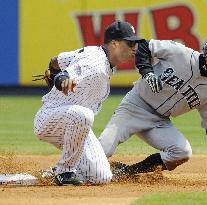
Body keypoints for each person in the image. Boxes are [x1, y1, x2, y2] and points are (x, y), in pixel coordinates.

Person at [99, 32, 207, 182]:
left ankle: (127, 171)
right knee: (104, 149)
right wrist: (147, 72)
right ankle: (74, 170)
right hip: (135, 106)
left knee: (182, 152)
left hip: (160, 121)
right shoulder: (180, 53)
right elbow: (143, 46)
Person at [33, 20, 143, 186]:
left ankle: (53, 173)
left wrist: (53, 69)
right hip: (50, 120)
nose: (134, 48)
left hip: (72, 124)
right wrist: (61, 79)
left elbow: (56, 60)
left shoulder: (95, 52)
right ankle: (65, 172)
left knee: (102, 177)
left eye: (135, 43)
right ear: (114, 44)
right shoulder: (96, 66)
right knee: (84, 115)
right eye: (129, 43)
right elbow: (64, 76)